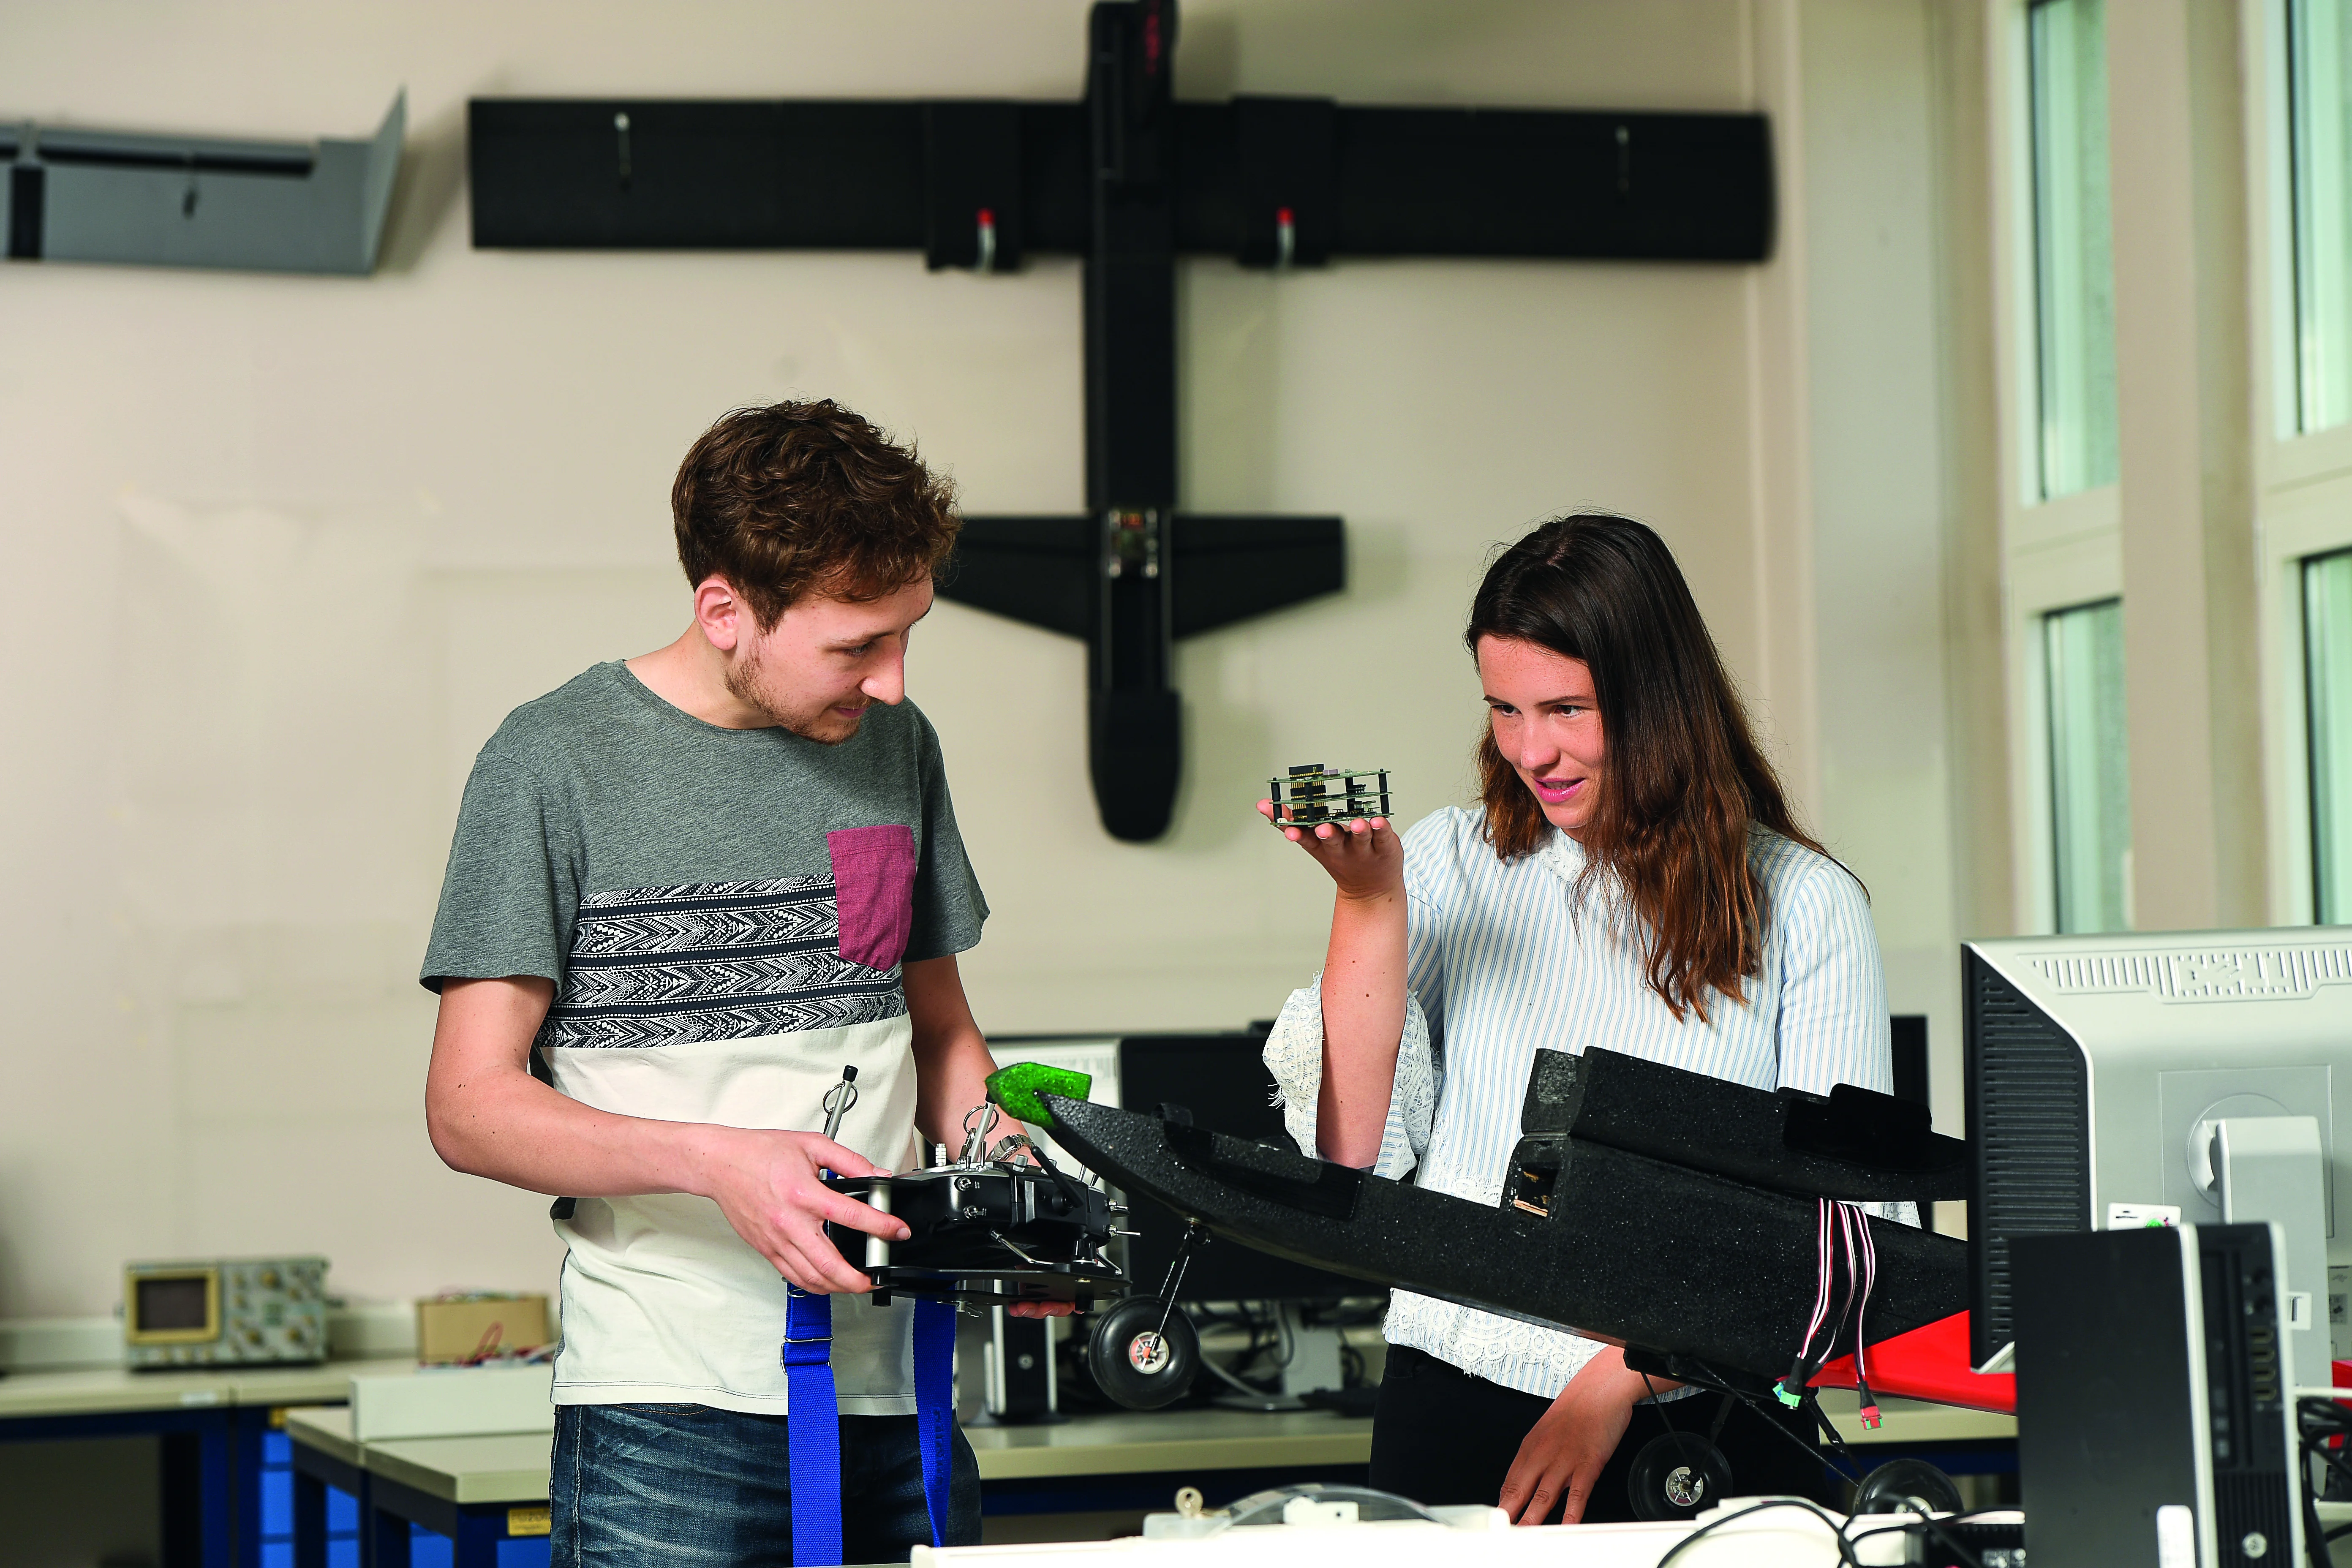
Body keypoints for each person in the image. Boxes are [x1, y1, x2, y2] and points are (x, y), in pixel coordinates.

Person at [422, 399, 1057, 1565]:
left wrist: (1000, 1168)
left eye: (907, 635)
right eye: (857, 643)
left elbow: (938, 1031)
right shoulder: (551, 764)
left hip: (901, 1398)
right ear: (726, 610)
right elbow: (468, 1107)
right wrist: (723, 1165)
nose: (894, 683)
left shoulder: (893, 748)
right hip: (672, 1413)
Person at [1257, 513, 1892, 1526]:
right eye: (1504, 709)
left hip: (1695, 1420)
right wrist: (1368, 902)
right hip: (1447, 1401)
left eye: (1567, 708)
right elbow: (1353, 1159)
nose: (1530, 751)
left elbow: (1844, 1239)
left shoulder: (1805, 903)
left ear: (1658, 699)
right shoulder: (1455, 859)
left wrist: (1619, 1376)